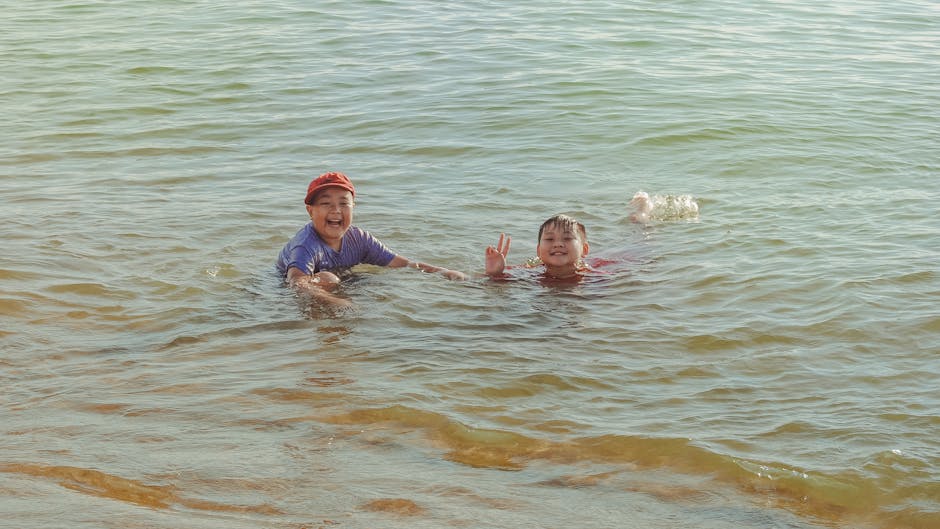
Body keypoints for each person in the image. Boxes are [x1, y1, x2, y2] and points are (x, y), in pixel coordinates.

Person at [277, 171, 465, 306]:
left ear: (353, 207)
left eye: (343, 203)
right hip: (281, 286)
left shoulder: (359, 239)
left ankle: (491, 278)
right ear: (310, 211)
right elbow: (296, 283)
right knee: (329, 279)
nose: (336, 210)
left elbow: (405, 265)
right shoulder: (305, 244)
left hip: (338, 277)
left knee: (374, 282)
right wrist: (338, 302)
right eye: (326, 204)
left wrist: (443, 271)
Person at [484, 214, 596, 282]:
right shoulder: (529, 272)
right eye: (549, 239)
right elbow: (474, 280)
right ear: (538, 251)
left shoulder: (595, 279)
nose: (558, 244)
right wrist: (495, 274)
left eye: (567, 238)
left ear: (584, 249)